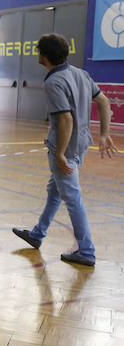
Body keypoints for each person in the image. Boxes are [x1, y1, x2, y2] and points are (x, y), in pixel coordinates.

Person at [12, 33, 118, 267]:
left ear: (45, 56)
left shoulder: (53, 82)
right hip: (81, 146)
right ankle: (38, 234)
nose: (37, 54)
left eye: (38, 51)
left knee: (72, 199)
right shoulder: (81, 74)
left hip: (67, 150)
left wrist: (60, 153)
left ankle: (87, 251)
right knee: (55, 191)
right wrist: (103, 134)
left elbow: (66, 120)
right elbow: (104, 102)